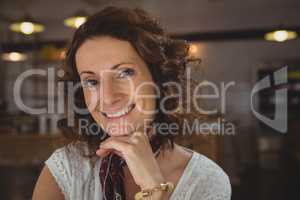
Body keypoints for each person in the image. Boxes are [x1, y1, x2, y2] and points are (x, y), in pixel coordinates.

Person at [32, 6, 231, 200]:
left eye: (125, 72)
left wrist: (155, 189)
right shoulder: (64, 170)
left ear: (158, 77)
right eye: (91, 82)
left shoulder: (207, 181)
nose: (108, 98)